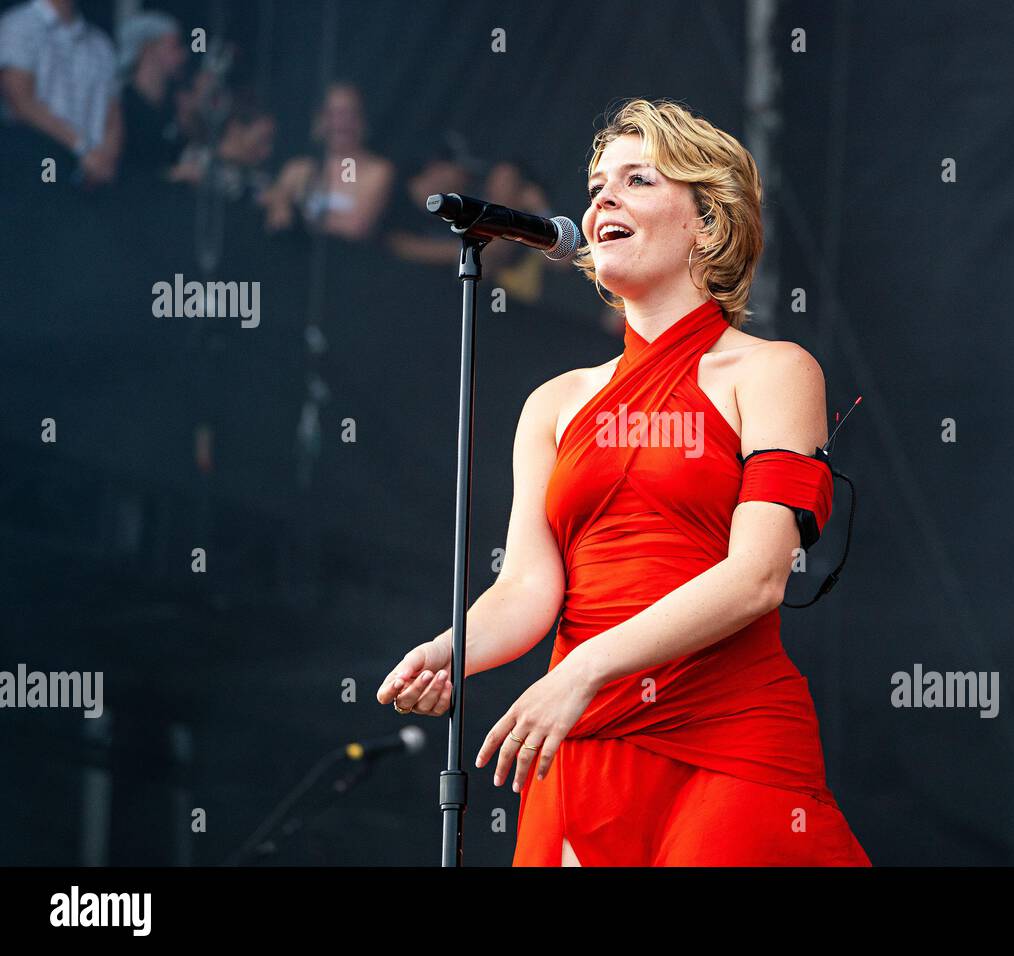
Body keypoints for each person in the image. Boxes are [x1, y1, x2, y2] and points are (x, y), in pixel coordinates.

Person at [376, 98, 871, 867]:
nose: (602, 197)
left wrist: (583, 668)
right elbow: (529, 588)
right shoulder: (555, 402)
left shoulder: (774, 371)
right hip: (584, 734)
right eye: (597, 183)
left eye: (638, 180)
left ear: (707, 222)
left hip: (725, 733)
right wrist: (452, 648)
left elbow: (758, 576)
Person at [0, 0, 120, 188]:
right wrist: (81, 149)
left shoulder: (100, 44)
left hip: (93, 180)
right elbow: (20, 102)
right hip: (37, 167)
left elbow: (113, 112)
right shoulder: (18, 26)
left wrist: (105, 159)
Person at [259, 81, 393, 241]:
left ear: (362, 120)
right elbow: (270, 202)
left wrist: (297, 215)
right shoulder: (298, 168)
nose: (341, 122)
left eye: (349, 113)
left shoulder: (377, 171)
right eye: (333, 114)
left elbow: (356, 227)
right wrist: (279, 203)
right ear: (319, 120)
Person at [115, 10, 188, 181]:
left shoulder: (172, 107)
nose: (183, 55)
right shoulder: (121, 106)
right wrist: (172, 174)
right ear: (148, 49)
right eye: (174, 46)